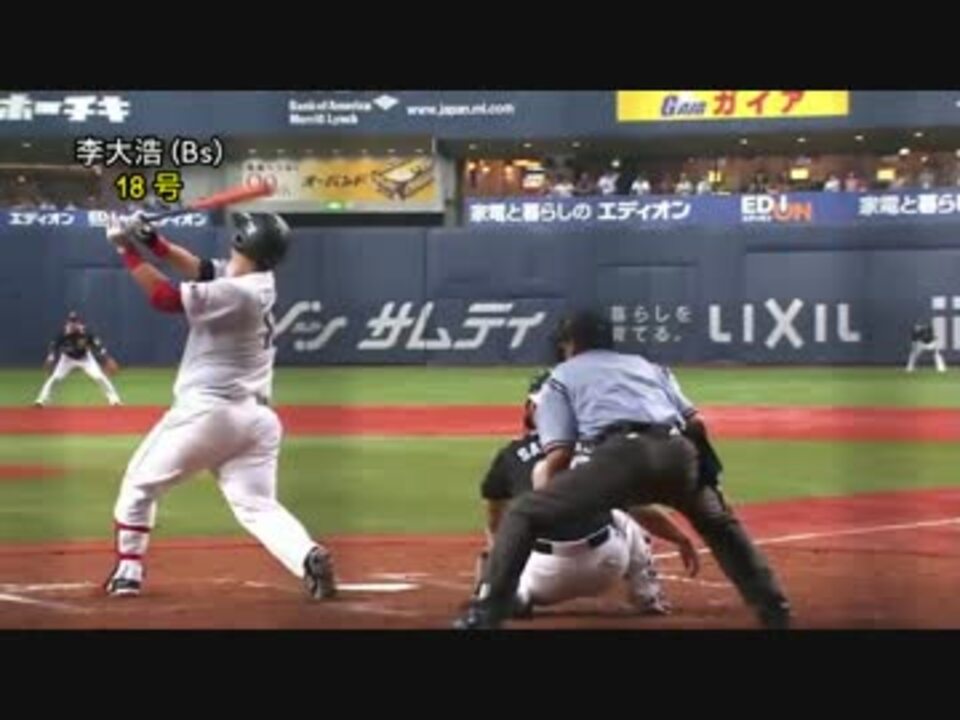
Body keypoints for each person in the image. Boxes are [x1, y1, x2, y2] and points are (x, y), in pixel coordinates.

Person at [455, 309, 791, 630]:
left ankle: (485, 613)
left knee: (523, 512)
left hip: (621, 456)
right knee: (720, 524)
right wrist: (708, 482)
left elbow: (559, 455)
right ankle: (773, 605)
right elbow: (696, 424)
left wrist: (548, 498)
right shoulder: (649, 367)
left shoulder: (561, 377)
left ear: (569, 344)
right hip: (678, 453)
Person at [101, 211, 337, 599]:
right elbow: (202, 269)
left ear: (243, 242)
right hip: (256, 421)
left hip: (209, 414)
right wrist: (151, 239)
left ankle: (128, 572)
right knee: (257, 506)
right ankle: (308, 556)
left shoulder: (238, 293)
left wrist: (126, 250)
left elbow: (164, 297)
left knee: (139, 485)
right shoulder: (257, 280)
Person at [473, 371, 700, 619]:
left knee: (515, 527)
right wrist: (680, 538)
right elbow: (640, 509)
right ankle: (647, 595)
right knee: (623, 512)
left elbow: (495, 519)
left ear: (531, 409)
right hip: (607, 564)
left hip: (544, 577)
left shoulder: (510, 455)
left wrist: (495, 555)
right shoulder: (599, 446)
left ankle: (515, 593)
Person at [34, 311, 122, 407]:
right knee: (55, 378)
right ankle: (41, 400)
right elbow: (54, 346)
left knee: (99, 377)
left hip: (85, 358)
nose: (73, 324)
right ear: (68, 322)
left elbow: (98, 346)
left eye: (75, 321)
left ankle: (114, 400)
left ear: (79, 322)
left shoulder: (86, 333)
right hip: (67, 359)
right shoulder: (63, 333)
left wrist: (107, 358)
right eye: (71, 321)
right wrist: (50, 358)